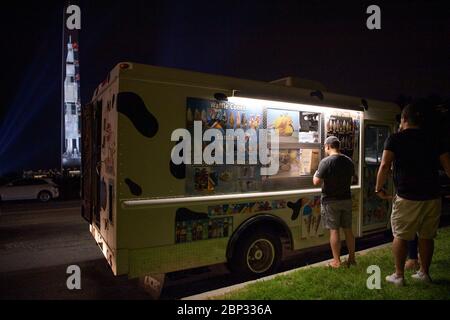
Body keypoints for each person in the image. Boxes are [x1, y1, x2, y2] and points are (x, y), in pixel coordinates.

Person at [376, 103, 450, 286]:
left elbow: (385, 165)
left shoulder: (395, 139)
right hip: (432, 196)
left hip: (407, 196)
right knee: (427, 235)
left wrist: (378, 188)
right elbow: (448, 166)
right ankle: (424, 273)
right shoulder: (435, 139)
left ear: (404, 119)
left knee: (400, 235)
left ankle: (399, 275)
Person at [313, 136, 356, 268]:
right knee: (348, 230)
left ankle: (336, 261)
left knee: (334, 230)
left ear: (328, 146)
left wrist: (316, 173)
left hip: (331, 201)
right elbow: (352, 179)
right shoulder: (349, 161)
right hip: (346, 199)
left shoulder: (325, 162)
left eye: (325, 147)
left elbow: (316, 182)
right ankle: (352, 259)